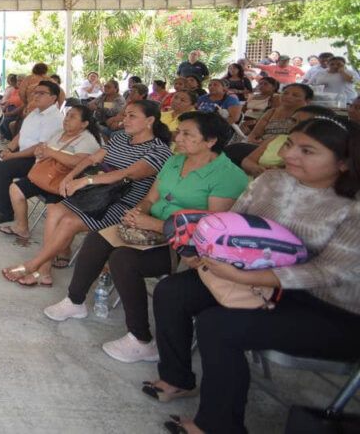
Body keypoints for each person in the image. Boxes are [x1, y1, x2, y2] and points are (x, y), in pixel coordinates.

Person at [145, 118, 360, 434]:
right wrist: (203, 249)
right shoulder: (272, 180)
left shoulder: (352, 207)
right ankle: (177, 379)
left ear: (343, 163)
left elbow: (330, 272)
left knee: (219, 326)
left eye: (307, 151)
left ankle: (217, 426)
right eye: (289, 144)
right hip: (250, 276)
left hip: (327, 308)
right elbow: (234, 222)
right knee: (172, 292)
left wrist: (251, 280)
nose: (290, 155)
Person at [44, 112, 248, 363]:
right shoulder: (175, 161)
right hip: (151, 229)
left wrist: (156, 224)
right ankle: (75, 301)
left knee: (123, 259)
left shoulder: (227, 176)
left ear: (210, 141)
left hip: (186, 247)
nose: (178, 138)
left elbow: (211, 230)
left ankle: (141, 339)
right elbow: (151, 198)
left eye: (187, 134)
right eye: (179, 131)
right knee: (98, 238)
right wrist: (137, 212)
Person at [2, 100, 172, 286]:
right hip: (96, 194)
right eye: (125, 115)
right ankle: (44, 270)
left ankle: (32, 265)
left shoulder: (159, 150)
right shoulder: (120, 138)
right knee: (54, 210)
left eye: (132, 116)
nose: (126, 120)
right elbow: (92, 159)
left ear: (149, 121)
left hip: (121, 203)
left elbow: (127, 173)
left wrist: (85, 180)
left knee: (68, 222)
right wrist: (71, 177)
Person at [0, 105, 102, 243]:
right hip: (46, 176)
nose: (66, 119)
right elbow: (42, 148)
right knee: (15, 189)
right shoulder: (59, 132)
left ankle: (63, 251)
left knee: (55, 209)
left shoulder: (87, 140)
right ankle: (21, 228)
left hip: (64, 184)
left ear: (84, 124)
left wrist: (52, 153)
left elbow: (77, 162)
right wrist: (39, 151)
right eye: (67, 115)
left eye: (72, 116)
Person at [0, 81, 65, 223]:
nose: (36, 96)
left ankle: (6, 212)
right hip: (22, 153)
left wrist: (12, 156)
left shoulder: (54, 118)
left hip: (39, 160)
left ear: (53, 98)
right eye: (35, 92)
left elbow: (40, 147)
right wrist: (8, 149)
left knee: (3, 167)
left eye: (41, 93)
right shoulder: (35, 112)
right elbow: (20, 135)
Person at [241, 105, 337, 177]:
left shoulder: (323, 151)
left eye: (304, 123)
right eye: (293, 121)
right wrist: (256, 169)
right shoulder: (277, 138)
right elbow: (248, 160)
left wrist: (283, 172)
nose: (295, 125)